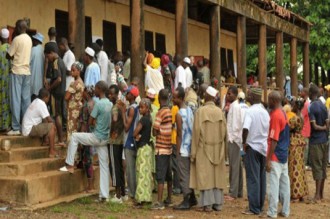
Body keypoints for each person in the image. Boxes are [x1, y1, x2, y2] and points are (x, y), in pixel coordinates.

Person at [60, 81, 112, 202]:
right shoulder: (109, 104)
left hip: (96, 136)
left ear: (99, 89)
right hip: (105, 139)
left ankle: (69, 163)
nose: (95, 91)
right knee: (104, 166)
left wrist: (94, 125)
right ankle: (104, 195)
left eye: (96, 89)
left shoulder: (98, 104)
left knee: (74, 136)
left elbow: (90, 121)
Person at [190, 86, 226, 212]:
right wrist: (224, 151)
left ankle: (207, 204)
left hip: (203, 147)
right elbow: (225, 133)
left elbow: (195, 133)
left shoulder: (201, 111)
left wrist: (193, 153)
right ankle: (218, 203)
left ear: (207, 96)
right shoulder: (220, 112)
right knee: (217, 176)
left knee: (206, 176)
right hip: (218, 148)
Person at [241, 88, 269, 215]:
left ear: (253, 97)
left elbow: (245, 128)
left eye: (249, 95)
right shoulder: (265, 112)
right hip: (263, 148)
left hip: (252, 147)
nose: (247, 96)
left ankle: (254, 208)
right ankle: (260, 205)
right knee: (261, 178)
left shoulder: (250, 111)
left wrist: (244, 142)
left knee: (253, 178)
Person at [264, 91, 290, 218]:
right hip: (284, 154)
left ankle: (272, 212)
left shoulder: (275, 115)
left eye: (269, 99)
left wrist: (268, 160)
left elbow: (274, 139)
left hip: (275, 155)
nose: (267, 101)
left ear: (273, 101)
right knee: (285, 184)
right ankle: (285, 210)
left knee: (273, 185)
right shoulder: (283, 112)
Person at [173, 87, 197, 210]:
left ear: (181, 98)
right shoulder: (189, 110)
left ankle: (186, 199)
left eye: (175, 97)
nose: (173, 99)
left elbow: (179, 134)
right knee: (189, 172)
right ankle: (192, 197)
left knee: (184, 174)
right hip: (190, 146)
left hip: (183, 148)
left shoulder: (179, 114)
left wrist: (178, 151)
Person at [6, 20, 32, 136]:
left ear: (17, 27)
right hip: (27, 72)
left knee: (15, 100)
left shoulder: (16, 39)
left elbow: (8, 55)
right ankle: (26, 126)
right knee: (25, 101)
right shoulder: (29, 39)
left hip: (16, 71)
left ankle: (16, 127)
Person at [151, 89, 173, 210]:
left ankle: (159, 201)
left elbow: (154, 131)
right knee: (169, 174)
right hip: (168, 147)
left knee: (160, 175)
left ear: (159, 99)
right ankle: (169, 198)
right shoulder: (169, 111)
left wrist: (157, 130)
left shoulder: (160, 113)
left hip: (161, 147)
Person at [308, 84, 329, 202]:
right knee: (323, 167)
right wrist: (325, 129)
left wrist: (321, 128)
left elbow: (314, 126)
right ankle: (321, 194)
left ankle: (317, 196)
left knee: (317, 167)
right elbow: (328, 123)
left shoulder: (311, 107)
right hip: (325, 140)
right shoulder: (323, 106)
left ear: (311, 94)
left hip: (316, 140)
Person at [22, 88, 57, 157]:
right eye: (48, 98)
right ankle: (52, 151)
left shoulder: (36, 101)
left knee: (45, 121)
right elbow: (49, 120)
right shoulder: (42, 104)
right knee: (52, 126)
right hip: (29, 129)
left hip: (26, 128)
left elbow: (45, 119)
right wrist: (54, 125)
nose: (48, 100)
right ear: (45, 97)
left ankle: (45, 141)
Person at [118, 85, 140, 199]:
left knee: (130, 169)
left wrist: (122, 112)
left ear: (132, 95)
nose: (126, 95)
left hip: (129, 141)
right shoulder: (135, 107)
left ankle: (132, 192)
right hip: (132, 140)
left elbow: (127, 127)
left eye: (128, 93)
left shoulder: (132, 108)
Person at [44, 42, 66, 146]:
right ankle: (60, 138)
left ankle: (60, 139)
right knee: (59, 115)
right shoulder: (61, 61)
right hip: (61, 92)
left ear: (52, 53)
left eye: (48, 56)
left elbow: (59, 79)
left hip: (56, 93)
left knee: (56, 115)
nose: (47, 58)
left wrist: (49, 88)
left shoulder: (56, 63)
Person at [133, 98, 153, 207]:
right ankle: (147, 197)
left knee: (141, 173)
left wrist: (136, 136)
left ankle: (140, 200)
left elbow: (135, 132)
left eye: (142, 107)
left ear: (147, 108)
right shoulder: (149, 119)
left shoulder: (143, 120)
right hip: (148, 148)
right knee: (146, 174)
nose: (140, 109)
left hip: (142, 148)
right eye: (139, 107)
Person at [288, 98, 309, 202]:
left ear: (296, 106)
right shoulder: (301, 117)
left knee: (294, 167)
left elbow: (288, 128)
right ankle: (301, 193)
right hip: (300, 141)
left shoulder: (294, 118)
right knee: (300, 167)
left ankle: (295, 194)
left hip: (294, 142)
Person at [108, 84, 126, 203]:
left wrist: (111, 133)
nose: (109, 96)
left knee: (114, 167)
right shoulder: (121, 105)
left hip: (114, 141)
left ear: (115, 94)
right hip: (121, 141)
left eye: (111, 93)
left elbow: (114, 120)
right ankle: (123, 193)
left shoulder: (115, 107)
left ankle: (118, 195)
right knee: (119, 167)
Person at [225, 86, 243, 201]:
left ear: (235, 95)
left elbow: (236, 125)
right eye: (227, 93)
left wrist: (233, 138)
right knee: (238, 166)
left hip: (234, 139)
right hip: (234, 139)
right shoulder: (233, 106)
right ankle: (239, 190)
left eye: (230, 94)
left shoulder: (235, 107)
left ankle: (233, 192)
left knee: (234, 166)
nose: (227, 95)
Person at [65, 62, 84, 142]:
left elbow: (66, 97)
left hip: (73, 109)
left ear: (78, 71)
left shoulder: (74, 83)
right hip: (78, 107)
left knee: (71, 129)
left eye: (73, 70)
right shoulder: (81, 82)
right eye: (71, 70)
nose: (71, 72)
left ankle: (71, 150)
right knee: (76, 128)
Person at [0, 28, 11, 131]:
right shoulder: (12, 49)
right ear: (8, 38)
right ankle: (8, 125)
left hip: (1, 81)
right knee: (10, 101)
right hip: (11, 80)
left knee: (1, 101)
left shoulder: (0, 50)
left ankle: (1, 125)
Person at [30, 33, 45, 100]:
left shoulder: (33, 49)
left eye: (34, 40)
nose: (33, 42)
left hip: (32, 78)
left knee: (32, 97)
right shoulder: (43, 50)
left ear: (37, 41)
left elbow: (27, 62)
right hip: (41, 79)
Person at [300, 88, 311, 169]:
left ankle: (304, 163)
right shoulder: (307, 103)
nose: (300, 93)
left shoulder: (306, 104)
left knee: (305, 147)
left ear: (305, 93)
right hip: (307, 128)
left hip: (305, 128)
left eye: (302, 91)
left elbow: (302, 116)